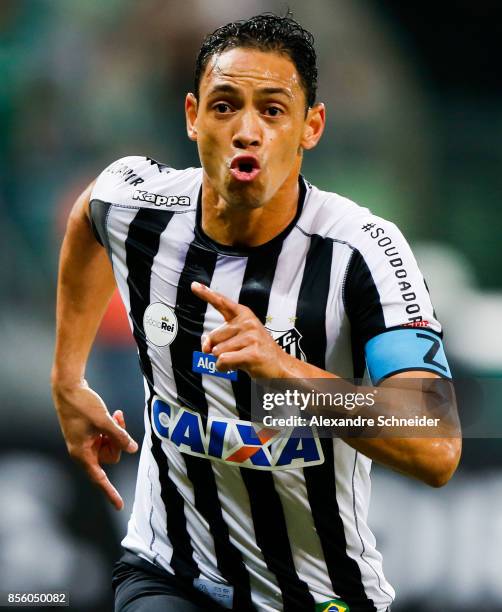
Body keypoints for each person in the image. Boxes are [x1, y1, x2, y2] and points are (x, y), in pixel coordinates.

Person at [52, 13, 461, 612]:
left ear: (310, 127)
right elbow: (88, 216)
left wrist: (284, 373)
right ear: (192, 117)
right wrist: (67, 380)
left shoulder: (363, 253)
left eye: (272, 110)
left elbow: (436, 441)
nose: (247, 130)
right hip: (170, 571)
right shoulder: (141, 207)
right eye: (224, 107)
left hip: (321, 593)